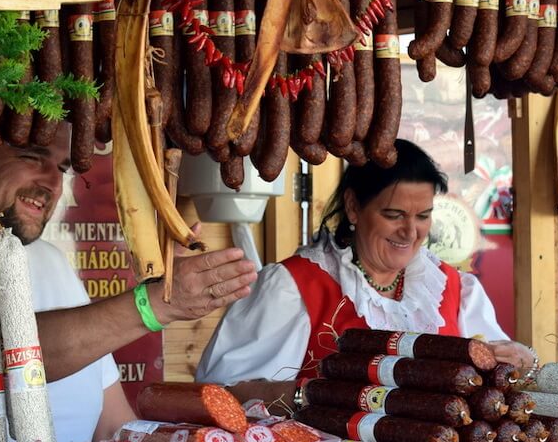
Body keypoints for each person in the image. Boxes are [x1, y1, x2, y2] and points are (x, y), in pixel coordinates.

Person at [0, 126, 258, 442]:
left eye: (62, 169)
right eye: (32, 157)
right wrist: (153, 304)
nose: (52, 183)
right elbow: (10, 353)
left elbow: (113, 429)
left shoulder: (52, 262)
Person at [196, 139, 536, 406]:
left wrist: (518, 362)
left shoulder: (454, 289)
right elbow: (224, 394)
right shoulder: (294, 287)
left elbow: (496, 382)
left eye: (423, 216)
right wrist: (319, 396)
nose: (411, 232)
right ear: (354, 207)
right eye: (394, 214)